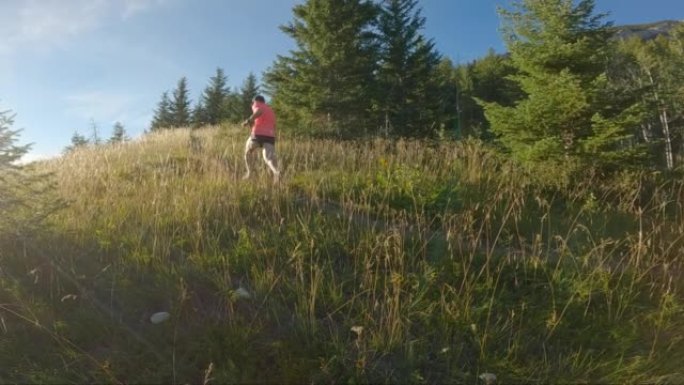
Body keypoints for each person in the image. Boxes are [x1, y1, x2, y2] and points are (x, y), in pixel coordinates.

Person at [241, 95, 281, 182]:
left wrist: (248, 121)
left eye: (253, 102)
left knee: (247, 152)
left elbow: (258, 111)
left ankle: (249, 173)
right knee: (268, 158)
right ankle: (276, 172)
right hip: (270, 136)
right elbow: (273, 125)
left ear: (256, 101)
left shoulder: (257, 104)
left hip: (258, 134)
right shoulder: (270, 110)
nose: (252, 104)